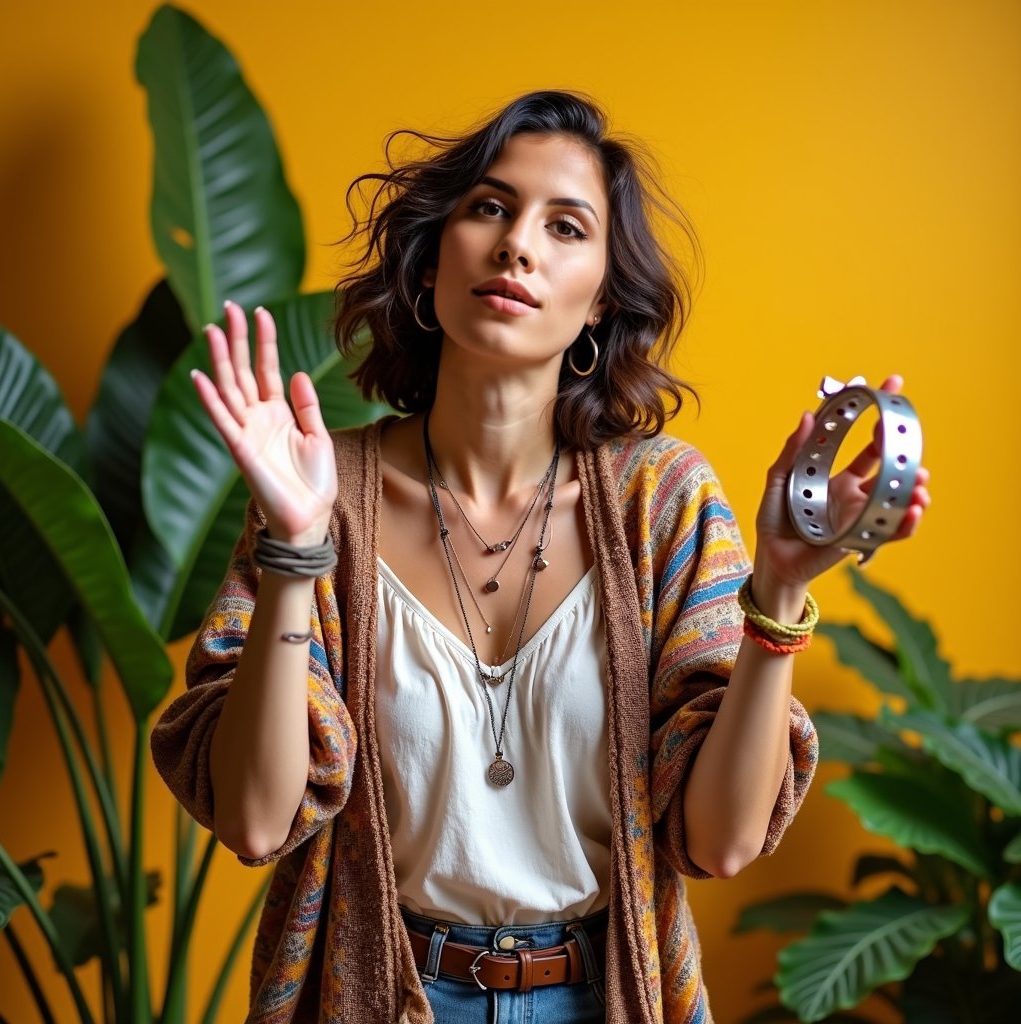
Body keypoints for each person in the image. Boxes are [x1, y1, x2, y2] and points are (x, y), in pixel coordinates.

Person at [151, 91, 929, 1024]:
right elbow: (254, 821)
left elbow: (718, 844)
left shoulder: (662, 499)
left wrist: (782, 589)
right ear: (433, 256)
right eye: (488, 207)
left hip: (599, 997)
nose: (518, 244)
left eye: (566, 227)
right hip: (379, 996)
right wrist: (296, 547)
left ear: (601, 298)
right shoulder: (325, 493)